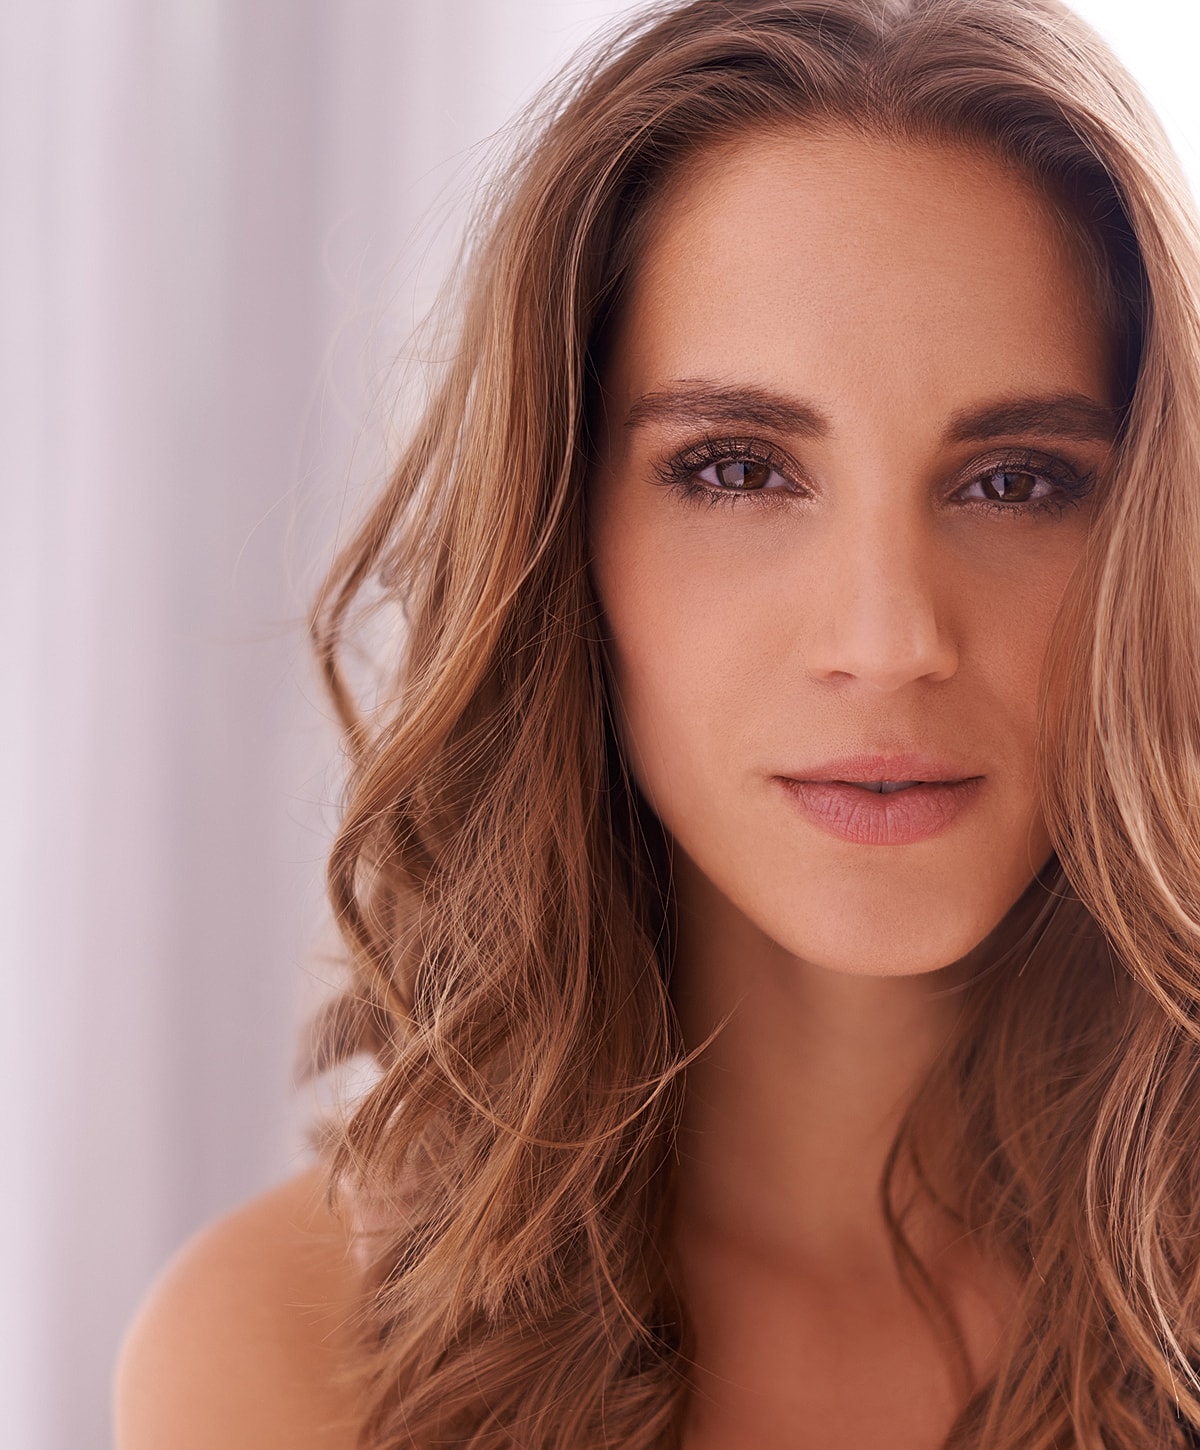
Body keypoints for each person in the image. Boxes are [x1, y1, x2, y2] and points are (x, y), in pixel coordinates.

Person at [113, 0, 1200, 1445]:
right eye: (741, 469)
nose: (889, 641)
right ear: (564, 537)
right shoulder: (287, 1358)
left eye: (1017, 480)